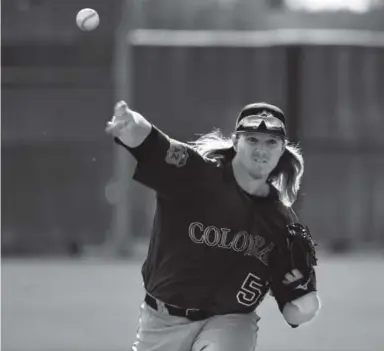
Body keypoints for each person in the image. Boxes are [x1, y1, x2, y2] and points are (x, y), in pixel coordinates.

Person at [105, 101, 320, 351]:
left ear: (282, 149)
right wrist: (130, 124)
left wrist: (305, 299)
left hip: (230, 322)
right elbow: (152, 142)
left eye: (271, 142)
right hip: (162, 321)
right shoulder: (195, 174)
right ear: (236, 142)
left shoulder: (281, 223)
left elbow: (297, 312)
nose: (261, 150)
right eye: (252, 140)